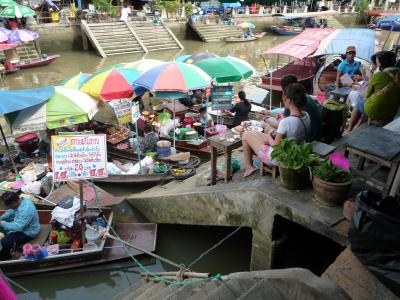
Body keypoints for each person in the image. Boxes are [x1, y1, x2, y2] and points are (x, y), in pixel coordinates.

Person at [242, 83, 311, 177]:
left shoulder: (286, 122)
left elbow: (276, 147)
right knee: (262, 130)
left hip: (278, 158)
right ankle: (249, 166)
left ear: (289, 100)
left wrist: (268, 137)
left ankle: (249, 167)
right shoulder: (306, 115)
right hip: (294, 151)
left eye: (284, 96)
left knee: (246, 135)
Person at [346, 51, 400, 132]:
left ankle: (349, 128)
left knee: (359, 104)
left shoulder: (378, 75)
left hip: (375, 110)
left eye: (377, 62)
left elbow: (367, 95)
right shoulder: (397, 74)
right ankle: (361, 122)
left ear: (381, 63)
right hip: (392, 110)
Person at [258, 75, 322, 142]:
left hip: (310, 138)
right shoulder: (302, 98)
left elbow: (283, 125)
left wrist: (265, 119)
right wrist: (270, 114)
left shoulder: (292, 104)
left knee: (265, 128)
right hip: (314, 134)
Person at [0, 192, 40, 260]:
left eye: (9, 206)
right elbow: (11, 211)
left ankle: (4, 258)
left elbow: (18, 227)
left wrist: (2, 223)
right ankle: (7, 234)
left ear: (13, 202)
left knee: (5, 242)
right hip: (21, 225)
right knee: (2, 227)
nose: (9, 207)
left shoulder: (26, 209)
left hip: (29, 232)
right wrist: (1, 218)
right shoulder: (21, 200)